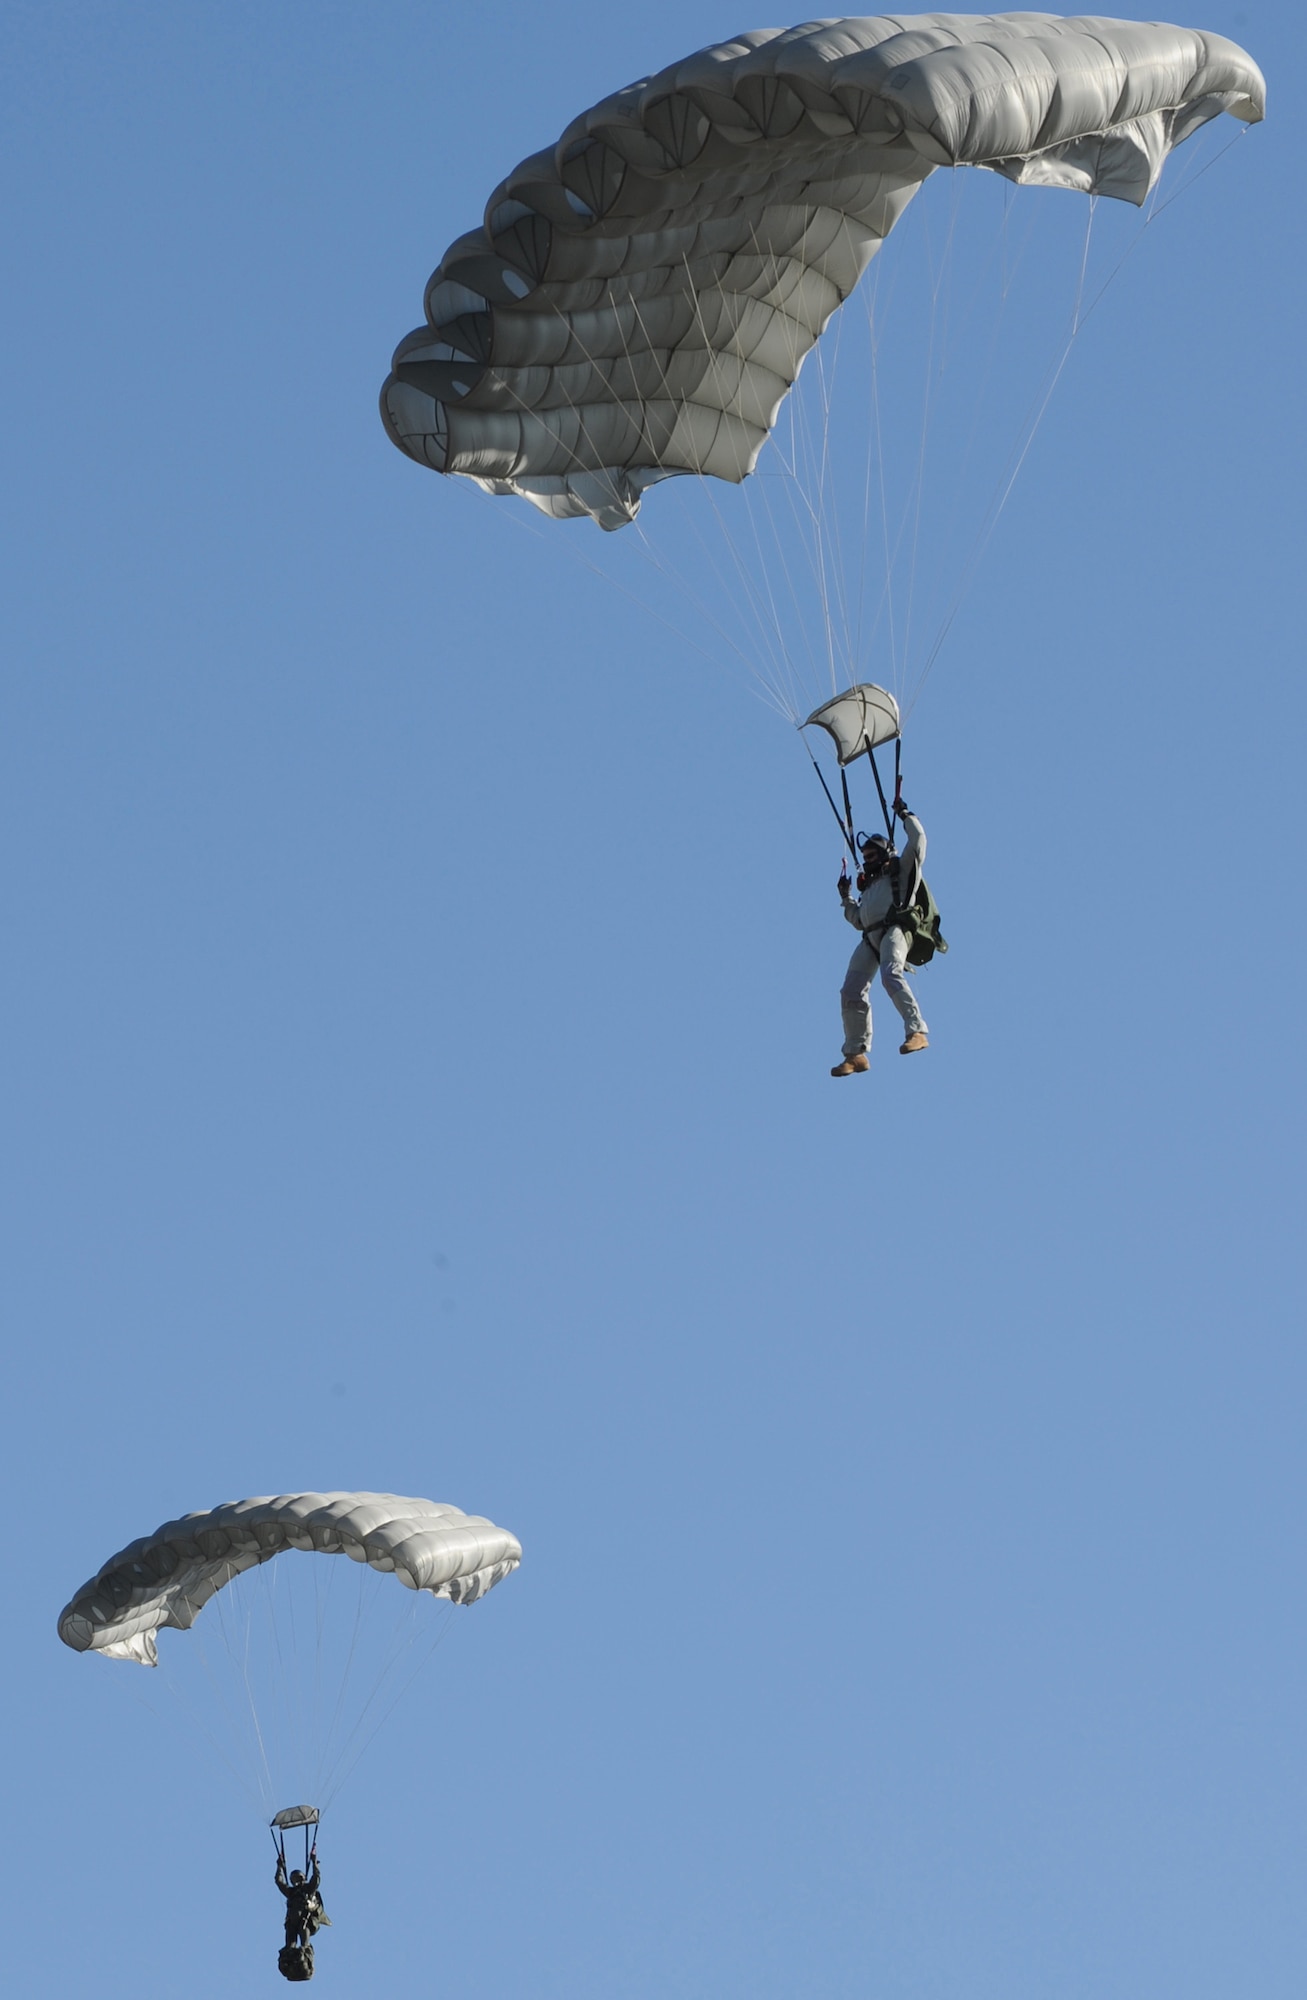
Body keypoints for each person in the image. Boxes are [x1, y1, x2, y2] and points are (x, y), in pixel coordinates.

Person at [831, 800, 929, 1075]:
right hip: (870, 937)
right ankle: (855, 1053)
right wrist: (846, 898)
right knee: (850, 990)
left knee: (890, 974)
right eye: (865, 855)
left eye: (872, 854)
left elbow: (919, 839)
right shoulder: (871, 886)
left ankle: (917, 1030)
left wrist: (905, 814)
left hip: (895, 931)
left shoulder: (902, 869)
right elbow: (858, 920)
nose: (868, 859)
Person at [276, 1850, 330, 1953]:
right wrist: (279, 1867)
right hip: (292, 1920)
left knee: (304, 1940)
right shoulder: (291, 1892)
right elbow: (279, 1882)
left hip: (304, 1920)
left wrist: (314, 1863)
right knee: (289, 1944)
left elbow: (316, 1879)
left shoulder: (308, 1889)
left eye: (298, 1879)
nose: (296, 1882)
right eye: (294, 1880)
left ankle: (305, 1951)